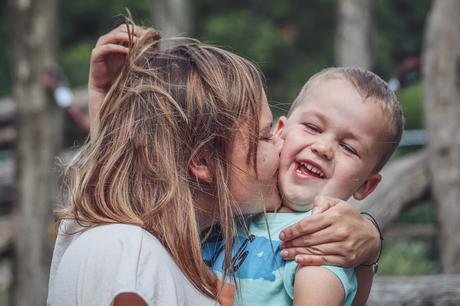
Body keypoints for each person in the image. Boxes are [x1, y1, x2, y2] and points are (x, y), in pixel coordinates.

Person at [47, 24, 383, 306]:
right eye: (266, 136)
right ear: (204, 161)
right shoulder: (130, 257)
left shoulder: (139, 238)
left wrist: (367, 241)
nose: (284, 145)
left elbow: (136, 170)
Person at [203, 67, 403, 306]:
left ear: (367, 186)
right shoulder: (236, 200)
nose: (323, 148)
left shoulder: (322, 245)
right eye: (313, 128)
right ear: (278, 132)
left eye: (349, 148)